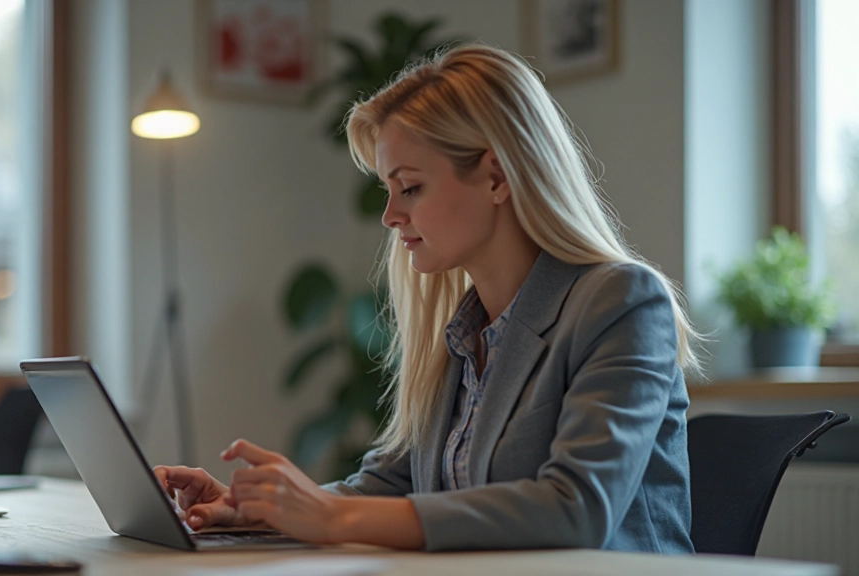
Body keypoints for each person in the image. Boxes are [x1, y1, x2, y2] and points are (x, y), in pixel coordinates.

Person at [154, 43, 701, 553]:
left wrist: (330, 518)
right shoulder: (466, 330)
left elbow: (576, 509)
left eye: (410, 187)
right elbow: (389, 485)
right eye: (387, 192)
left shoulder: (621, 302)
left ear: (495, 176)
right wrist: (253, 510)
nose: (391, 217)